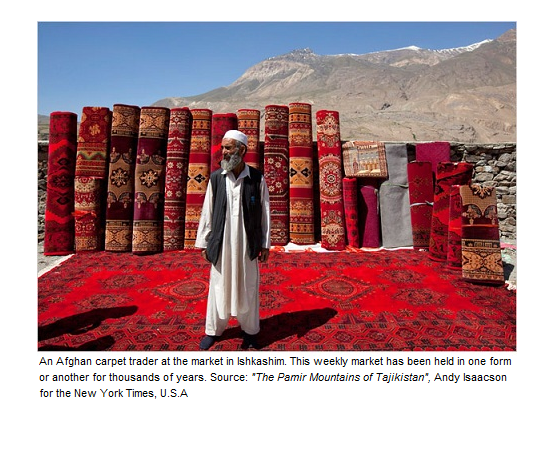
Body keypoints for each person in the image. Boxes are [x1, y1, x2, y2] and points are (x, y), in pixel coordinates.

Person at [195, 130, 271, 350]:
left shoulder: (256, 178)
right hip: (222, 241)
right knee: (218, 285)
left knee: (247, 285)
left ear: (242, 150)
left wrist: (265, 244)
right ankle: (213, 330)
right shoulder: (217, 178)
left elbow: (265, 212)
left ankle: (250, 332)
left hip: (247, 243)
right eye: (223, 148)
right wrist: (203, 242)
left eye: (228, 148)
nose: (224, 152)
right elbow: (207, 211)